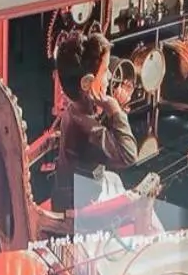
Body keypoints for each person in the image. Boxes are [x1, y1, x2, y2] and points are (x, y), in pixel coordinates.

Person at [51, 27, 138, 215]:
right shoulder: (86, 127)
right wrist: (115, 110)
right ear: (86, 83)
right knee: (134, 203)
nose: (108, 78)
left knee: (114, 179)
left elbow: (97, 133)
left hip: (76, 193)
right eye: (105, 72)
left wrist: (113, 109)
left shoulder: (77, 109)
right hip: (80, 211)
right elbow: (129, 155)